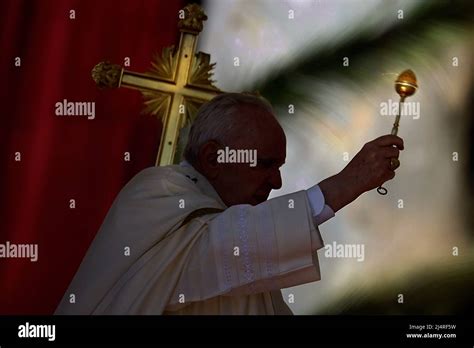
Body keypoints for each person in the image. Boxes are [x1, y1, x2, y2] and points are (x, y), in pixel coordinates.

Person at [55, 93, 404, 315]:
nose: (276, 182)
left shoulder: (240, 250)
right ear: (212, 158)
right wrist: (343, 186)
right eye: (265, 164)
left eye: (279, 167)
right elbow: (218, 249)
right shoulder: (156, 191)